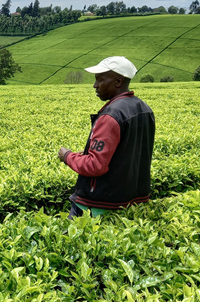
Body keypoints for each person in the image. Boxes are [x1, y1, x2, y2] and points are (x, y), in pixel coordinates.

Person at [58, 56, 155, 219]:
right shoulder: (145, 109)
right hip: (133, 201)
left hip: (99, 204)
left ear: (118, 81)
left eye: (99, 79)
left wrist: (67, 156)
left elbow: (95, 166)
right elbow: (127, 152)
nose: (95, 85)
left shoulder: (111, 116)